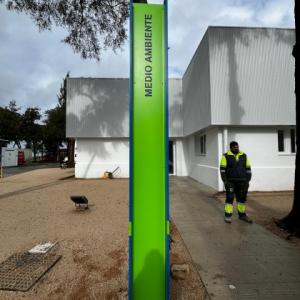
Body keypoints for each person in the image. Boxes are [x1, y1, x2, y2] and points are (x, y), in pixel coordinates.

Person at [220, 141, 253, 224]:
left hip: (242, 181)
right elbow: (222, 170)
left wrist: (247, 180)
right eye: (234, 147)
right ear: (230, 148)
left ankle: (242, 215)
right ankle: (228, 216)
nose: (236, 148)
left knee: (241, 199)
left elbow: (248, 168)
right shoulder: (226, 156)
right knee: (230, 197)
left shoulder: (244, 155)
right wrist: (225, 181)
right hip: (230, 181)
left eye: (237, 147)